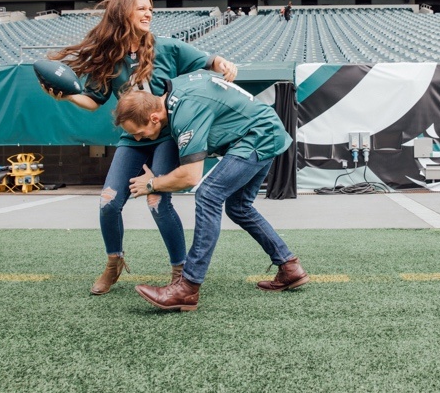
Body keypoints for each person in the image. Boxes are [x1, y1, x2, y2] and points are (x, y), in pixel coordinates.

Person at [43, 0, 238, 296]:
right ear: (123, 13)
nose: (149, 13)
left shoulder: (168, 47)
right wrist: (67, 96)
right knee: (108, 202)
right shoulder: (108, 56)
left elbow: (209, 61)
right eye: (141, 8)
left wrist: (223, 63)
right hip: (132, 139)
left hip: (166, 137)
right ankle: (113, 263)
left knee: (157, 200)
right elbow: (94, 100)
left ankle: (180, 270)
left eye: (151, 8)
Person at [116, 74, 309, 312]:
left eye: (138, 132)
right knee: (239, 207)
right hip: (265, 129)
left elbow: (190, 176)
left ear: (154, 117)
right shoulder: (177, 89)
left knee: (208, 195)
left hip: (257, 136)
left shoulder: (185, 111)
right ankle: (289, 267)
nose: (137, 138)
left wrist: (151, 184)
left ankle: (187, 287)